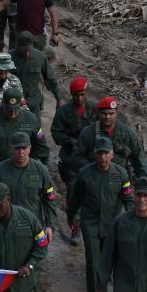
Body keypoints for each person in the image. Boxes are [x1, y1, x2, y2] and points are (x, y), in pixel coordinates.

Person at [66, 137, 134, 292]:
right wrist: (71, 216)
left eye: (106, 153)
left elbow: (129, 201)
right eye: (99, 153)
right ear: (94, 154)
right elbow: (75, 198)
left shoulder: (121, 174)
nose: (103, 157)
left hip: (112, 224)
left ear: (112, 154)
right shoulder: (85, 174)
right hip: (91, 223)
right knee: (94, 261)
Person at [51, 75, 98, 244]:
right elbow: (56, 133)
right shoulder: (64, 112)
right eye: (76, 95)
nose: (80, 98)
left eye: (83, 94)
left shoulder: (94, 109)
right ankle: (75, 227)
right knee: (73, 193)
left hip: (91, 156)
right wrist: (70, 141)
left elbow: (102, 127)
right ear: (72, 95)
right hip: (71, 158)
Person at [0, 132, 57, 240]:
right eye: (17, 148)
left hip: (32, 225)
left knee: (36, 254)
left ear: (30, 148)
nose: (21, 152)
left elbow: (49, 199)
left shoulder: (41, 170)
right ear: (11, 149)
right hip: (5, 225)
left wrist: (50, 225)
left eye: (24, 148)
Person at [73, 96, 147, 179]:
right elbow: (77, 156)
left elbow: (139, 156)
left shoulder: (127, 132)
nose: (108, 117)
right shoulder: (89, 132)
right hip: (95, 177)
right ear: (99, 113)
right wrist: (91, 169)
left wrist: (144, 182)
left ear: (116, 114)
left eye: (111, 113)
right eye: (104, 113)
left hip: (120, 177)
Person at [10, 31, 60, 122]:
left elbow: (50, 78)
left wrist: (58, 98)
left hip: (33, 102)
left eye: (29, 50)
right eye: (24, 51)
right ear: (17, 47)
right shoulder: (9, 57)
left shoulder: (39, 57)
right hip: (15, 103)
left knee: (37, 131)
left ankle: (39, 137)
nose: (28, 54)